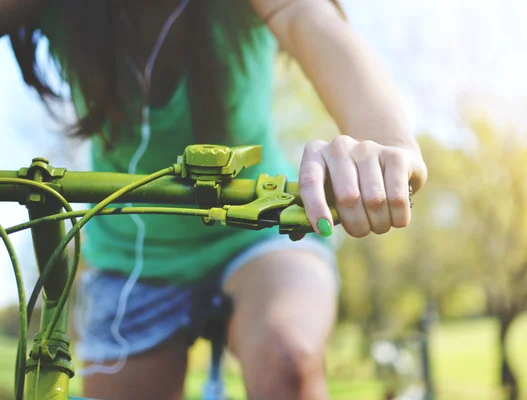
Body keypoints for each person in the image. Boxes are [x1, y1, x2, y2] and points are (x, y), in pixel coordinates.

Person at [2, 0, 427, 399]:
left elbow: (307, 17)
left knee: (288, 359)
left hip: (260, 227)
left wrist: (387, 143)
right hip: (127, 257)